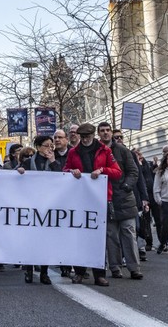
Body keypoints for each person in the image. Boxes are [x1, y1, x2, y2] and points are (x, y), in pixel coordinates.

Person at [64, 122, 122, 287]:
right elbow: (65, 170)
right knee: (80, 236)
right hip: (80, 199)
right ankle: (80, 272)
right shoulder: (73, 152)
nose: (85, 140)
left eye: (88, 137)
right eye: (82, 137)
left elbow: (117, 172)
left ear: (93, 136)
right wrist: (71, 172)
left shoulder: (105, 150)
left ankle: (99, 274)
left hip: (100, 199)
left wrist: (102, 170)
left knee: (99, 238)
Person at [98, 122, 143, 280]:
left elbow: (133, 171)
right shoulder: (97, 151)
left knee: (129, 233)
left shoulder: (122, 150)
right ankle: (115, 267)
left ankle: (134, 267)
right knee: (111, 235)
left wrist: (126, 186)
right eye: (102, 131)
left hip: (124, 198)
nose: (105, 133)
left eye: (107, 130)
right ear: (99, 134)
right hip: (106, 198)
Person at [16, 135, 59, 284]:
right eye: (46, 146)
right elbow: (14, 176)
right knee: (30, 239)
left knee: (45, 240)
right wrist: (20, 171)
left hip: (47, 204)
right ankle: (28, 269)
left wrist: (53, 161)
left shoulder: (53, 161)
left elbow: (61, 176)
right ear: (39, 147)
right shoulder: (29, 162)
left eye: (51, 146)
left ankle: (44, 272)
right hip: (30, 204)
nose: (49, 149)